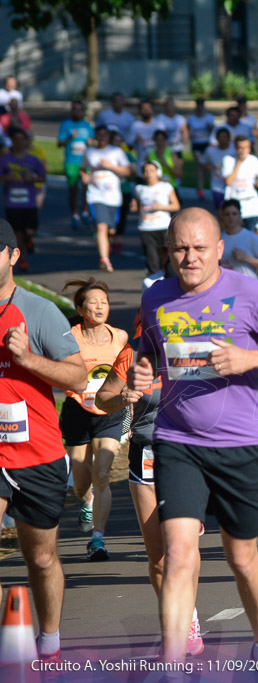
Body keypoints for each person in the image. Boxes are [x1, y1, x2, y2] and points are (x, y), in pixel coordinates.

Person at [128, 206, 258, 663]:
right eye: (179, 249)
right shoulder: (156, 297)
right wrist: (140, 371)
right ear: (167, 251)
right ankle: (173, 664)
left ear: (219, 249)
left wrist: (249, 359)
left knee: (241, 558)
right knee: (177, 554)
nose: (189, 258)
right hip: (177, 441)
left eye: (198, 248)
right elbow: (150, 352)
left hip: (240, 443)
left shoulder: (250, 292)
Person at [0, 219, 88, 663]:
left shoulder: (38, 312)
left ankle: (49, 642)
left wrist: (25, 358)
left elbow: (78, 375)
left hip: (37, 453)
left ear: (13, 256)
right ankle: (8, 641)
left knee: (41, 558)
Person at [95, 311, 205, 656]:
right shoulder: (130, 356)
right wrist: (123, 396)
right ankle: (176, 614)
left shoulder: (191, 352)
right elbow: (101, 399)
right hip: (145, 456)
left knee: (183, 547)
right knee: (158, 555)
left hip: (188, 457)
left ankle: (187, 619)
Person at [58, 279, 128, 561]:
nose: (100, 307)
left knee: (102, 474)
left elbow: (125, 375)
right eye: (93, 302)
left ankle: (97, 539)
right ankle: (86, 502)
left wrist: (129, 412)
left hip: (110, 413)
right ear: (80, 307)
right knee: (80, 481)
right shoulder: (68, 337)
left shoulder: (120, 336)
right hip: (77, 410)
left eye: (104, 302)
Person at [80, 126, 131, 272]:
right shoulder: (89, 152)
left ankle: (106, 246)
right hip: (95, 195)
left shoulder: (116, 152)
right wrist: (84, 177)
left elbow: (128, 171)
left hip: (113, 197)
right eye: (99, 135)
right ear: (95, 136)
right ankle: (104, 259)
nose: (102, 138)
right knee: (101, 226)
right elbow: (83, 169)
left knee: (111, 231)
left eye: (105, 135)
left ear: (108, 137)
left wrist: (110, 166)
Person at [0, 128, 46, 272]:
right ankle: (23, 259)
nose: (19, 142)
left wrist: (33, 178)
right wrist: (7, 178)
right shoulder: (5, 160)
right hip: (12, 203)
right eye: (16, 139)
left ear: (26, 141)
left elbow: (43, 177)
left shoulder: (33, 160)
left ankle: (29, 241)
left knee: (30, 231)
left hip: (29, 202)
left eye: (21, 139)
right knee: (17, 233)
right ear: (12, 142)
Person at [132, 160, 180, 276]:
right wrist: (134, 207)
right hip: (146, 227)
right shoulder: (139, 189)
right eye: (146, 171)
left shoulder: (166, 187)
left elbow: (176, 205)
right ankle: (155, 284)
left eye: (152, 170)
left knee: (167, 258)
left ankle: (169, 282)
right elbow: (138, 206)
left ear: (157, 172)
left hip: (163, 226)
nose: (149, 173)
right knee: (152, 260)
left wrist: (161, 207)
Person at [57, 100, 94, 230]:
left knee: (87, 188)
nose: (77, 112)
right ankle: (74, 214)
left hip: (84, 162)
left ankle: (85, 212)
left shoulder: (87, 126)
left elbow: (92, 141)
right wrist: (69, 138)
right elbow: (59, 143)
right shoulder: (66, 124)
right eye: (75, 109)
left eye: (80, 110)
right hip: (71, 162)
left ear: (83, 112)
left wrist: (91, 142)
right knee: (72, 190)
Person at [218, 199, 258, 278]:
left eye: (234, 214)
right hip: (227, 286)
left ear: (240, 215)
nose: (231, 217)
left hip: (248, 286)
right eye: (227, 214)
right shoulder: (219, 239)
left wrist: (246, 258)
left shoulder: (251, 237)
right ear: (223, 217)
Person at [222, 136, 258, 230]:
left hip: (252, 206)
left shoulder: (254, 160)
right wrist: (239, 163)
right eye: (240, 148)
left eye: (246, 147)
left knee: (253, 234)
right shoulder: (228, 160)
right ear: (235, 148)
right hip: (235, 205)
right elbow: (229, 182)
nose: (243, 151)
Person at [187, 97, 216, 200]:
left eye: (201, 106)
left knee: (208, 168)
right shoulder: (191, 118)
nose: (199, 108)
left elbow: (214, 131)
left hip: (207, 145)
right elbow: (189, 132)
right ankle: (200, 190)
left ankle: (211, 187)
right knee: (200, 167)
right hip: (197, 145)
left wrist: (210, 127)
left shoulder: (209, 117)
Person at [200, 126, 233, 209]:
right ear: (217, 138)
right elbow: (202, 163)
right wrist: (207, 168)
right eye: (221, 137)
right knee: (220, 209)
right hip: (217, 185)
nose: (223, 140)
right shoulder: (210, 151)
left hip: (232, 185)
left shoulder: (234, 150)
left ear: (229, 138)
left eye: (225, 137)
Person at [128, 100, 161, 175]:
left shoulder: (159, 125)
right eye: (143, 108)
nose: (146, 110)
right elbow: (128, 147)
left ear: (152, 109)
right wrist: (135, 141)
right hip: (141, 166)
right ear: (139, 111)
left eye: (148, 108)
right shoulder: (135, 126)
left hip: (157, 165)